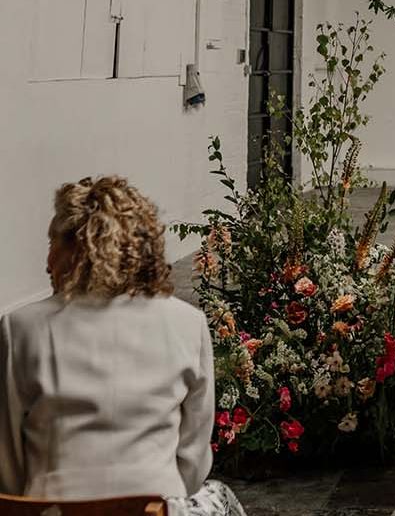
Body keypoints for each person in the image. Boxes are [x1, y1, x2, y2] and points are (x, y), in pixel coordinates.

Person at [0, 176, 245, 516]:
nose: (47, 262)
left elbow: (7, 463)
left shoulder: (19, 328)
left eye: (52, 244)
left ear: (79, 250)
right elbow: (192, 464)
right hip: (153, 508)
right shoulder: (188, 324)